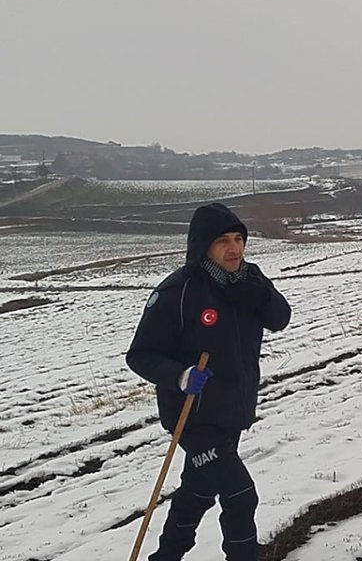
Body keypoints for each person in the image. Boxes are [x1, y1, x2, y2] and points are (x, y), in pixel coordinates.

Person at [127, 203, 291, 561]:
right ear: (203, 246)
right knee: (240, 493)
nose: (234, 249)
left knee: (198, 491)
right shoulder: (178, 292)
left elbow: (280, 318)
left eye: (238, 239)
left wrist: (260, 294)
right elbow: (140, 355)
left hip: (233, 409)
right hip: (193, 416)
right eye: (222, 241)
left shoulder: (250, 279)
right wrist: (180, 376)